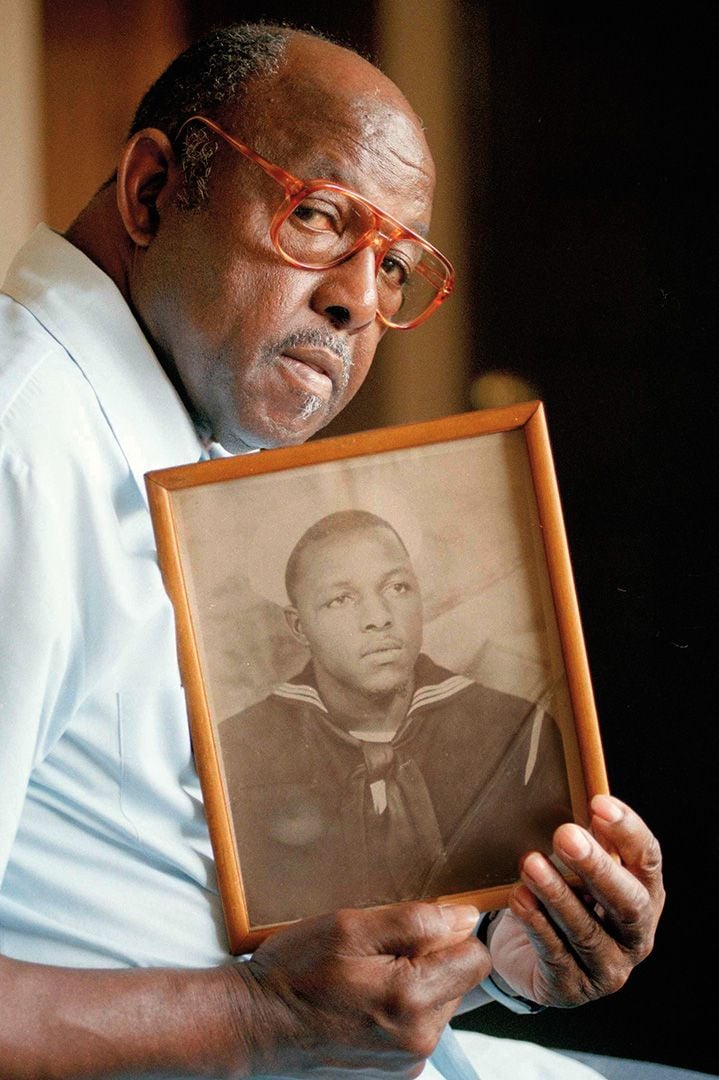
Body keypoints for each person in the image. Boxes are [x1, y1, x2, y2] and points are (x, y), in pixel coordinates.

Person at [0, 21, 665, 1080]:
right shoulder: (22, 441)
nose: (359, 300)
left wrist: (494, 962)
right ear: (151, 189)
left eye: (395, 264)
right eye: (317, 216)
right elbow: (254, 1005)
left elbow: (193, 910)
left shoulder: (174, 439)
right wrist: (256, 1019)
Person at [220, 508, 574, 927]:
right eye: (341, 599)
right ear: (299, 627)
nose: (378, 618)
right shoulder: (237, 750)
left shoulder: (517, 731)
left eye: (398, 587)